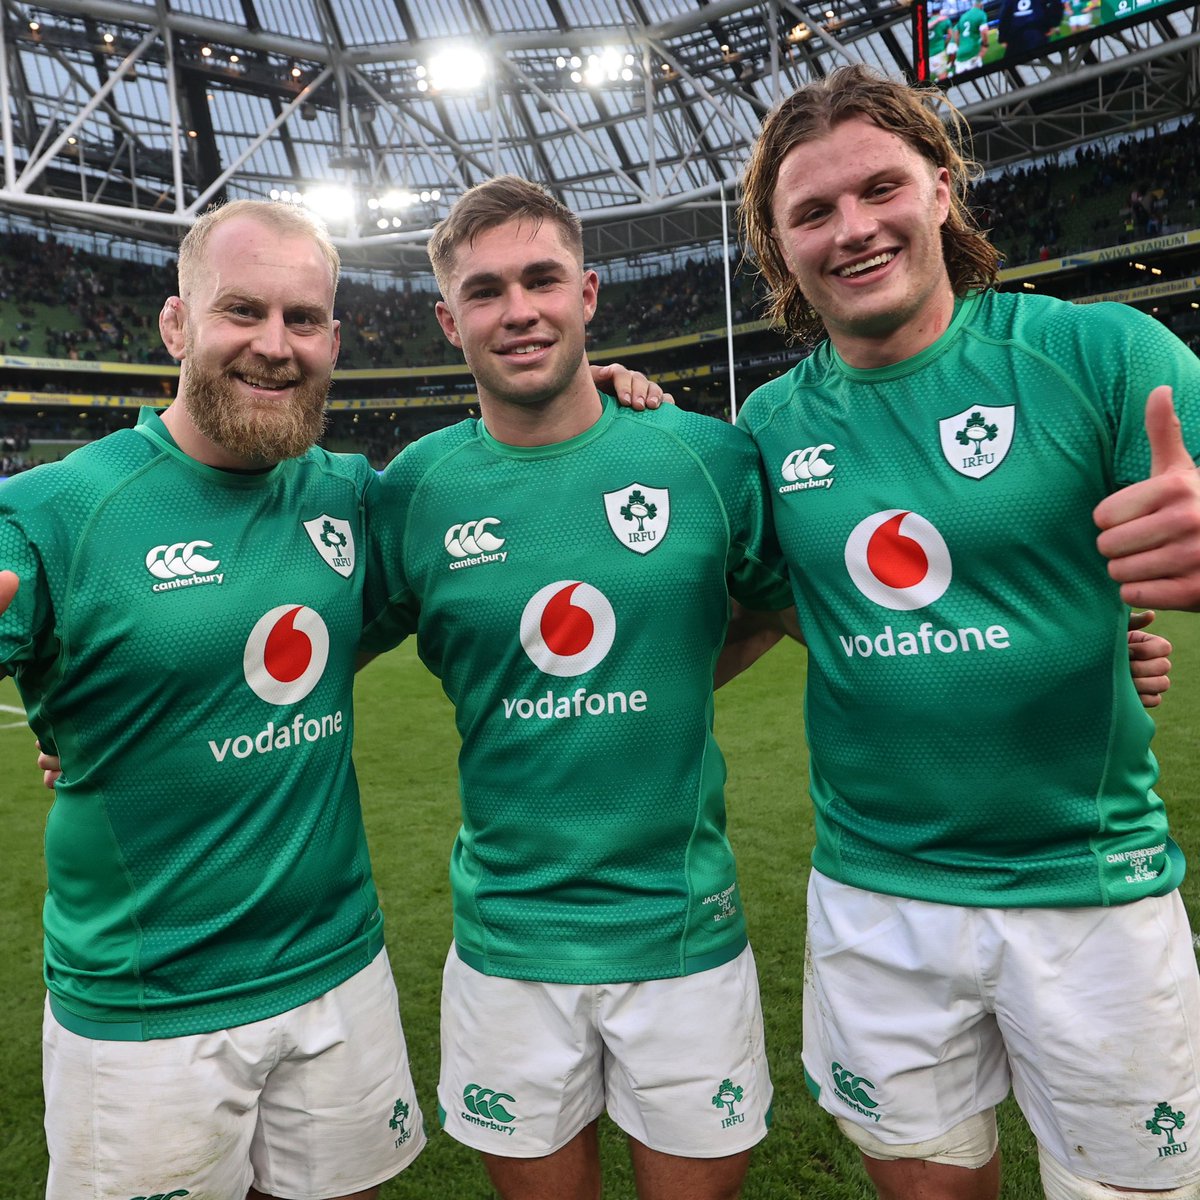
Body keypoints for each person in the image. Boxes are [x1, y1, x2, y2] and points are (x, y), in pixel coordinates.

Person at [0, 198, 663, 1200]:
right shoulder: (51, 513)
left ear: (335, 340)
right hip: (148, 1010)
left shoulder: (357, 498)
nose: (275, 347)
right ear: (177, 325)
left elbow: (516, 483)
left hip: (338, 975)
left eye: (303, 320)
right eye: (242, 313)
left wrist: (591, 398)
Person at [729, 64, 1200, 1200]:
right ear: (779, 249)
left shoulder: (1104, 357)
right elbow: (759, 612)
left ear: (941, 189)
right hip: (876, 900)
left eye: (880, 188)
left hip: (1090, 890)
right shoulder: (766, 427)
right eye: (812, 212)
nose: (853, 228)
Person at [358, 175, 794, 1200]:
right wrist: (93, 722)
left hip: (684, 931)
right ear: (447, 318)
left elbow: (808, 599)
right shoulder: (413, 491)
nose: (519, 310)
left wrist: (1100, 643)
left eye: (542, 279)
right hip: (509, 942)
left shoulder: (705, 456)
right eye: (487, 290)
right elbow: (295, 641)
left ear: (587, 294)